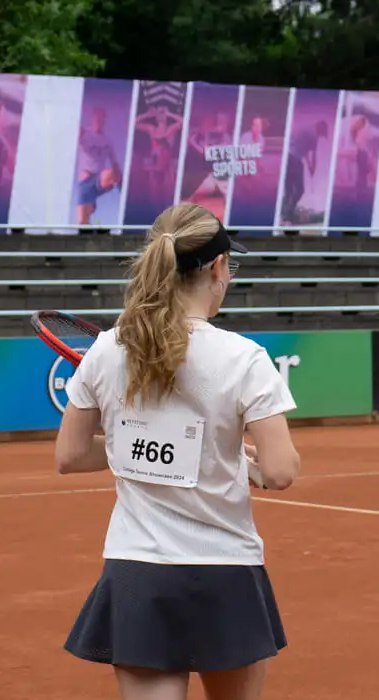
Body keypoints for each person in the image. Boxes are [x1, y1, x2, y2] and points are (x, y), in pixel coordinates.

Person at [56, 203, 302, 700]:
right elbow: (280, 472)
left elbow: (71, 455)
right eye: (230, 266)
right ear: (217, 268)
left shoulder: (107, 349)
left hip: (136, 573)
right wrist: (235, 460)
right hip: (225, 571)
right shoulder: (244, 357)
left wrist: (132, 441)